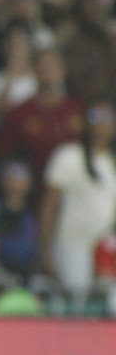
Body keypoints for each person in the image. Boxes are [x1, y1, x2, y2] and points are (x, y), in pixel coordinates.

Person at [40, 102, 116, 302]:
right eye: (96, 119)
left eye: (107, 120)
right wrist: (45, 250)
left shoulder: (111, 162)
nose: (101, 126)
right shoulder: (69, 156)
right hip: (72, 242)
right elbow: (50, 205)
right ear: (85, 123)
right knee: (77, 300)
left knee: (108, 302)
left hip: (106, 246)